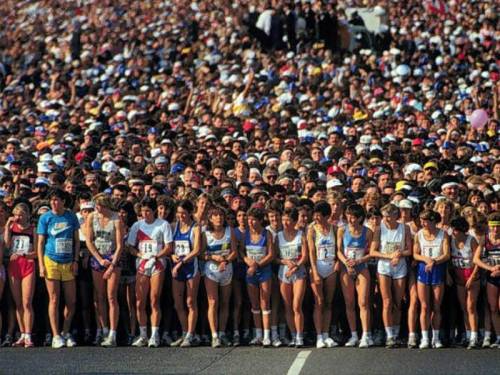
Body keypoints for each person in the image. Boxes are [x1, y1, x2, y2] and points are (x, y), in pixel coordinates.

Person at [37, 188, 80, 348]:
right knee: (54, 299)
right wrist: (41, 265)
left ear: (63, 201)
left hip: (68, 261)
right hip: (51, 260)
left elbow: (76, 240)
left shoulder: (71, 216)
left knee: (71, 301)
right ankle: (55, 335)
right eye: (52, 200)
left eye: (57, 200)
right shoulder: (45, 218)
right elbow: (40, 242)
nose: (54, 203)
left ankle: (65, 331)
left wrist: (75, 260)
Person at [128, 198, 173, 348]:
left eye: (148, 211)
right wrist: (140, 255)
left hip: (158, 264)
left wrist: (157, 256)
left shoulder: (163, 225)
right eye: (142, 211)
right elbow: (130, 247)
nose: (145, 214)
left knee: (154, 299)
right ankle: (142, 335)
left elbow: (168, 247)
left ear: (154, 211)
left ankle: (154, 335)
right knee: (140, 301)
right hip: (142, 264)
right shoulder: (137, 225)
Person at [84, 194, 124, 347]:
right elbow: (89, 240)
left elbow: (120, 244)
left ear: (106, 206)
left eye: (100, 206)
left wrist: (112, 264)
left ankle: (113, 333)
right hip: (98, 256)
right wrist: (100, 259)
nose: (97, 208)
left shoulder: (116, 219)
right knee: (100, 296)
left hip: (113, 256)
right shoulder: (92, 217)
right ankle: (104, 329)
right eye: (96, 205)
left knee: (111, 296)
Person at [370, 204, 412, 348]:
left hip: (400, 267)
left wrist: (399, 254)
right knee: (387, 301)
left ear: (396, 215)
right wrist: (389, 256)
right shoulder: (379, 229)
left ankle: (396, 331)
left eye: (389, 216)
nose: (386, 219)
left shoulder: (404, 228)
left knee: (397, 302)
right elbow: (373, 251)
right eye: (384, 216)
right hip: (384, 267)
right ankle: (389, 336)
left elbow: (409, 250)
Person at [337, 204, 373, 348]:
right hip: (347, 269)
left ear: (360, 218)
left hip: (362, 267)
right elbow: (338, 251)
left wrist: (359, 260)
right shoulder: (341, 230)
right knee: (349, 303)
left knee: (363, 302)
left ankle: (366, 334)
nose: (350, 219)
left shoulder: (368, 232)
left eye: (353, 217)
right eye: (348, 216)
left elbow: (371, 252)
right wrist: (346, 263)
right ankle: (353, 335)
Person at [413, 209, 450, 349]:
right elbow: (415, 254)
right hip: (423, 270)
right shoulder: (418, 235)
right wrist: (426, 259)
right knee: (424, 306)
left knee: (436, 306)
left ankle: (436, 337)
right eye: (421, 221)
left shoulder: (443, 234)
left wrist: (434, 261)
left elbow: (446, 254)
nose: (423, 223)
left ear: (433, 221)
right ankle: (424, 338)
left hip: (437, 269)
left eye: (426, 221)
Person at [203, 206, 237, 347]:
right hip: (211, 270)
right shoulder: (206, 233)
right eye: (215, 216)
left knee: (225, 302)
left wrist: (226, 260)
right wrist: (213, 257)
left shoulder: (229, 231)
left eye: (221, 215)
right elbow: (202, 253)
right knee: (213, 302)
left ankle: (222, 333)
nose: (219, 218)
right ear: (210, 218)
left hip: (227, 269)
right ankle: (214, 335)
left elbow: (234, 251)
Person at [307, 201, 339, 348]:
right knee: (318, 302)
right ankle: (319, 336)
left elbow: (339, 248)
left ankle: (326, 334)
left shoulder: (335, 228)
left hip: (331, 267)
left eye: (319, 215)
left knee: (328, 302)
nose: (316, 218)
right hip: (317, 266)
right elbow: (311, 252)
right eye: (315, 215)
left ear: (327, 216)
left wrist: (338, 262)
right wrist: (314, 271)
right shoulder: (312, 230)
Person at [4, 203, 36, 348]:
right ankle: (22, 333)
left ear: (28, 215)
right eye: (16, 214)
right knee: (18, 303)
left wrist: (24, 254)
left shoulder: (32, 229)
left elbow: (37, 252)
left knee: (27, 302)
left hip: (27, 264)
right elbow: (6, 245)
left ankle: (28, 335)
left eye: (21, 214)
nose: (18, 217)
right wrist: (7, 227)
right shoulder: (12, 228)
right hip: (13, 267)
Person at [170, 200, 202, 348]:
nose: (181, 216)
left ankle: (190, 334)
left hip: (190, 267)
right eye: (179, 213)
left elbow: (196, 250)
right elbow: (170, 247)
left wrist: (181, 262)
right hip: (177, 266)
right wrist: (172, 256)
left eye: (184, 213)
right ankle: (185, 332)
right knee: (178, 303)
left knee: (190, 302)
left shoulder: (195, 228)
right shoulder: (174, 226)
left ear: (190, 213)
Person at [242, 207, 275, 346]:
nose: (250, 222)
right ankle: (258, 334)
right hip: (251, 272)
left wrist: (257, 265)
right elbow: (242, 253)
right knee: (254, 304)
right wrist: (249, 262)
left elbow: (271, 254)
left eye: (253, 219)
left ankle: (267, 335)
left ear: (260, 220)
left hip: (264, 271)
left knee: (264, 302)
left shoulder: (267, 234)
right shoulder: (246, 234)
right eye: (249, 219)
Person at [277, 207, 308, 348]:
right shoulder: (278, 236)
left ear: (295, 221)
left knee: (297, 305)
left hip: (298, 271)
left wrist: (295, 266)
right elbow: (276, 257)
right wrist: (284, 261)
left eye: (288, 220)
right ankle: (294, 335)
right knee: (288, 306)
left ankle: (300, 336)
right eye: (283, 220)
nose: (285, 222)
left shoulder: (301, 235)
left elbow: (305, 256)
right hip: (284, 272)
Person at [450, 216, 480, 349]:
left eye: (456, 230)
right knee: (463, 308)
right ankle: (467, 335)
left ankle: (474, 336)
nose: (454, 232)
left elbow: (477, 261)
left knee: (471, 307)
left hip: (472, 276)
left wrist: (473, 277)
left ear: (462, 230)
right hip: (459, 277)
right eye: (453, 229)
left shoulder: (471, 240)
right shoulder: (451, 241)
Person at [473, 212, 500, 348]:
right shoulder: (485, 239)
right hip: (491, 277)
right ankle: (498, 337)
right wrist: (490, 269)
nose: (496, 230)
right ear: (489, 227)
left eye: (498, 226)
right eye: (493, 226)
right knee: (493, 308)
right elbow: (476, 259)